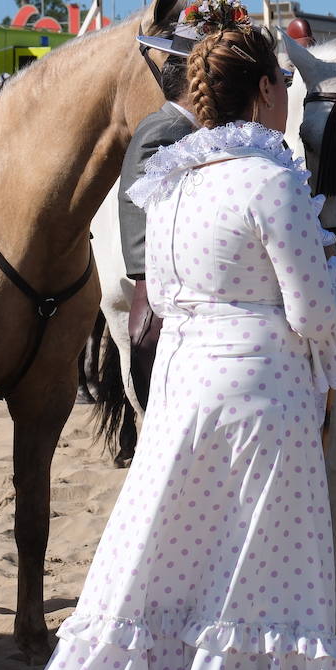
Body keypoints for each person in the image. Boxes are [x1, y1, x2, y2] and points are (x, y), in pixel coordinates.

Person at [45, 0, 336, 670]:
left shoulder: (170, 181)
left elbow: (163, 297)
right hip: (262, 392)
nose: (287, 94)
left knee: (166, 550)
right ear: (263, 90)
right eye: (284, 82)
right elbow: (311, 313)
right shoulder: (269, 177)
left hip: (181, 386)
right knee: (259, 562)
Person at [111, 24, 200, 452]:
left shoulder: (186, 127)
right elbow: (138, 208)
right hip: (162, 285)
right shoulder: (162, 129)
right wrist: (147, 282)